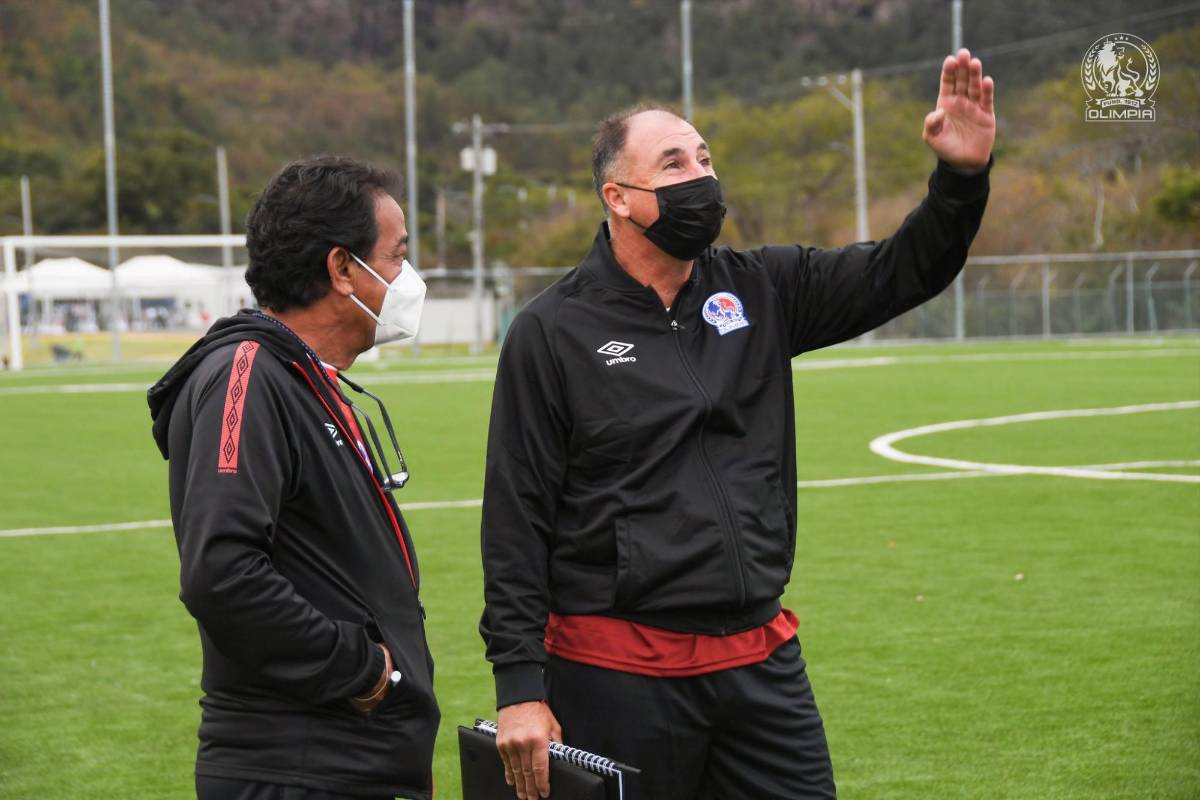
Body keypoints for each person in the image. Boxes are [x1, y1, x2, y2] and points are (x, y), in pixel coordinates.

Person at [480, 49, 996, 800]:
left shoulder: (763, 287)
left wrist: (960, 179)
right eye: (674, 164)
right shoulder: (552, 330)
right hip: (616, 671)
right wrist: (520, 686)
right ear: (618, 197)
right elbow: (516, 514)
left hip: (760, 664)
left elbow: (902, 270)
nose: (701, 177)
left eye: (705, 158)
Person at [148, 155, 439, 800]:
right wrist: (362, 670)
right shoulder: (248, 375)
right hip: (297, 767)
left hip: (352, 762)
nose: (408, 277)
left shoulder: (300, 377)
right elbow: (221, 574)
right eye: (396, 256)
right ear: (342, 269)